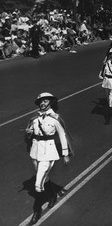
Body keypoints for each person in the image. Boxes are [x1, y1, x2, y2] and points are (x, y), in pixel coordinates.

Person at [25, 92, 72, 225]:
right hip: (35, 151)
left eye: (45, 101)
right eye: (40, 101)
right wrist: (29, 133)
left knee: (38, 184)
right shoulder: (34, 117)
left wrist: (65, 154)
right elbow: (30, 133)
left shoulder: (56, 118)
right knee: (45, 177)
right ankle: (52, 195)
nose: (42, 103)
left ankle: (37, 211)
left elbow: (63, 136)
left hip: (49, 152)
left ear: (50, 102)